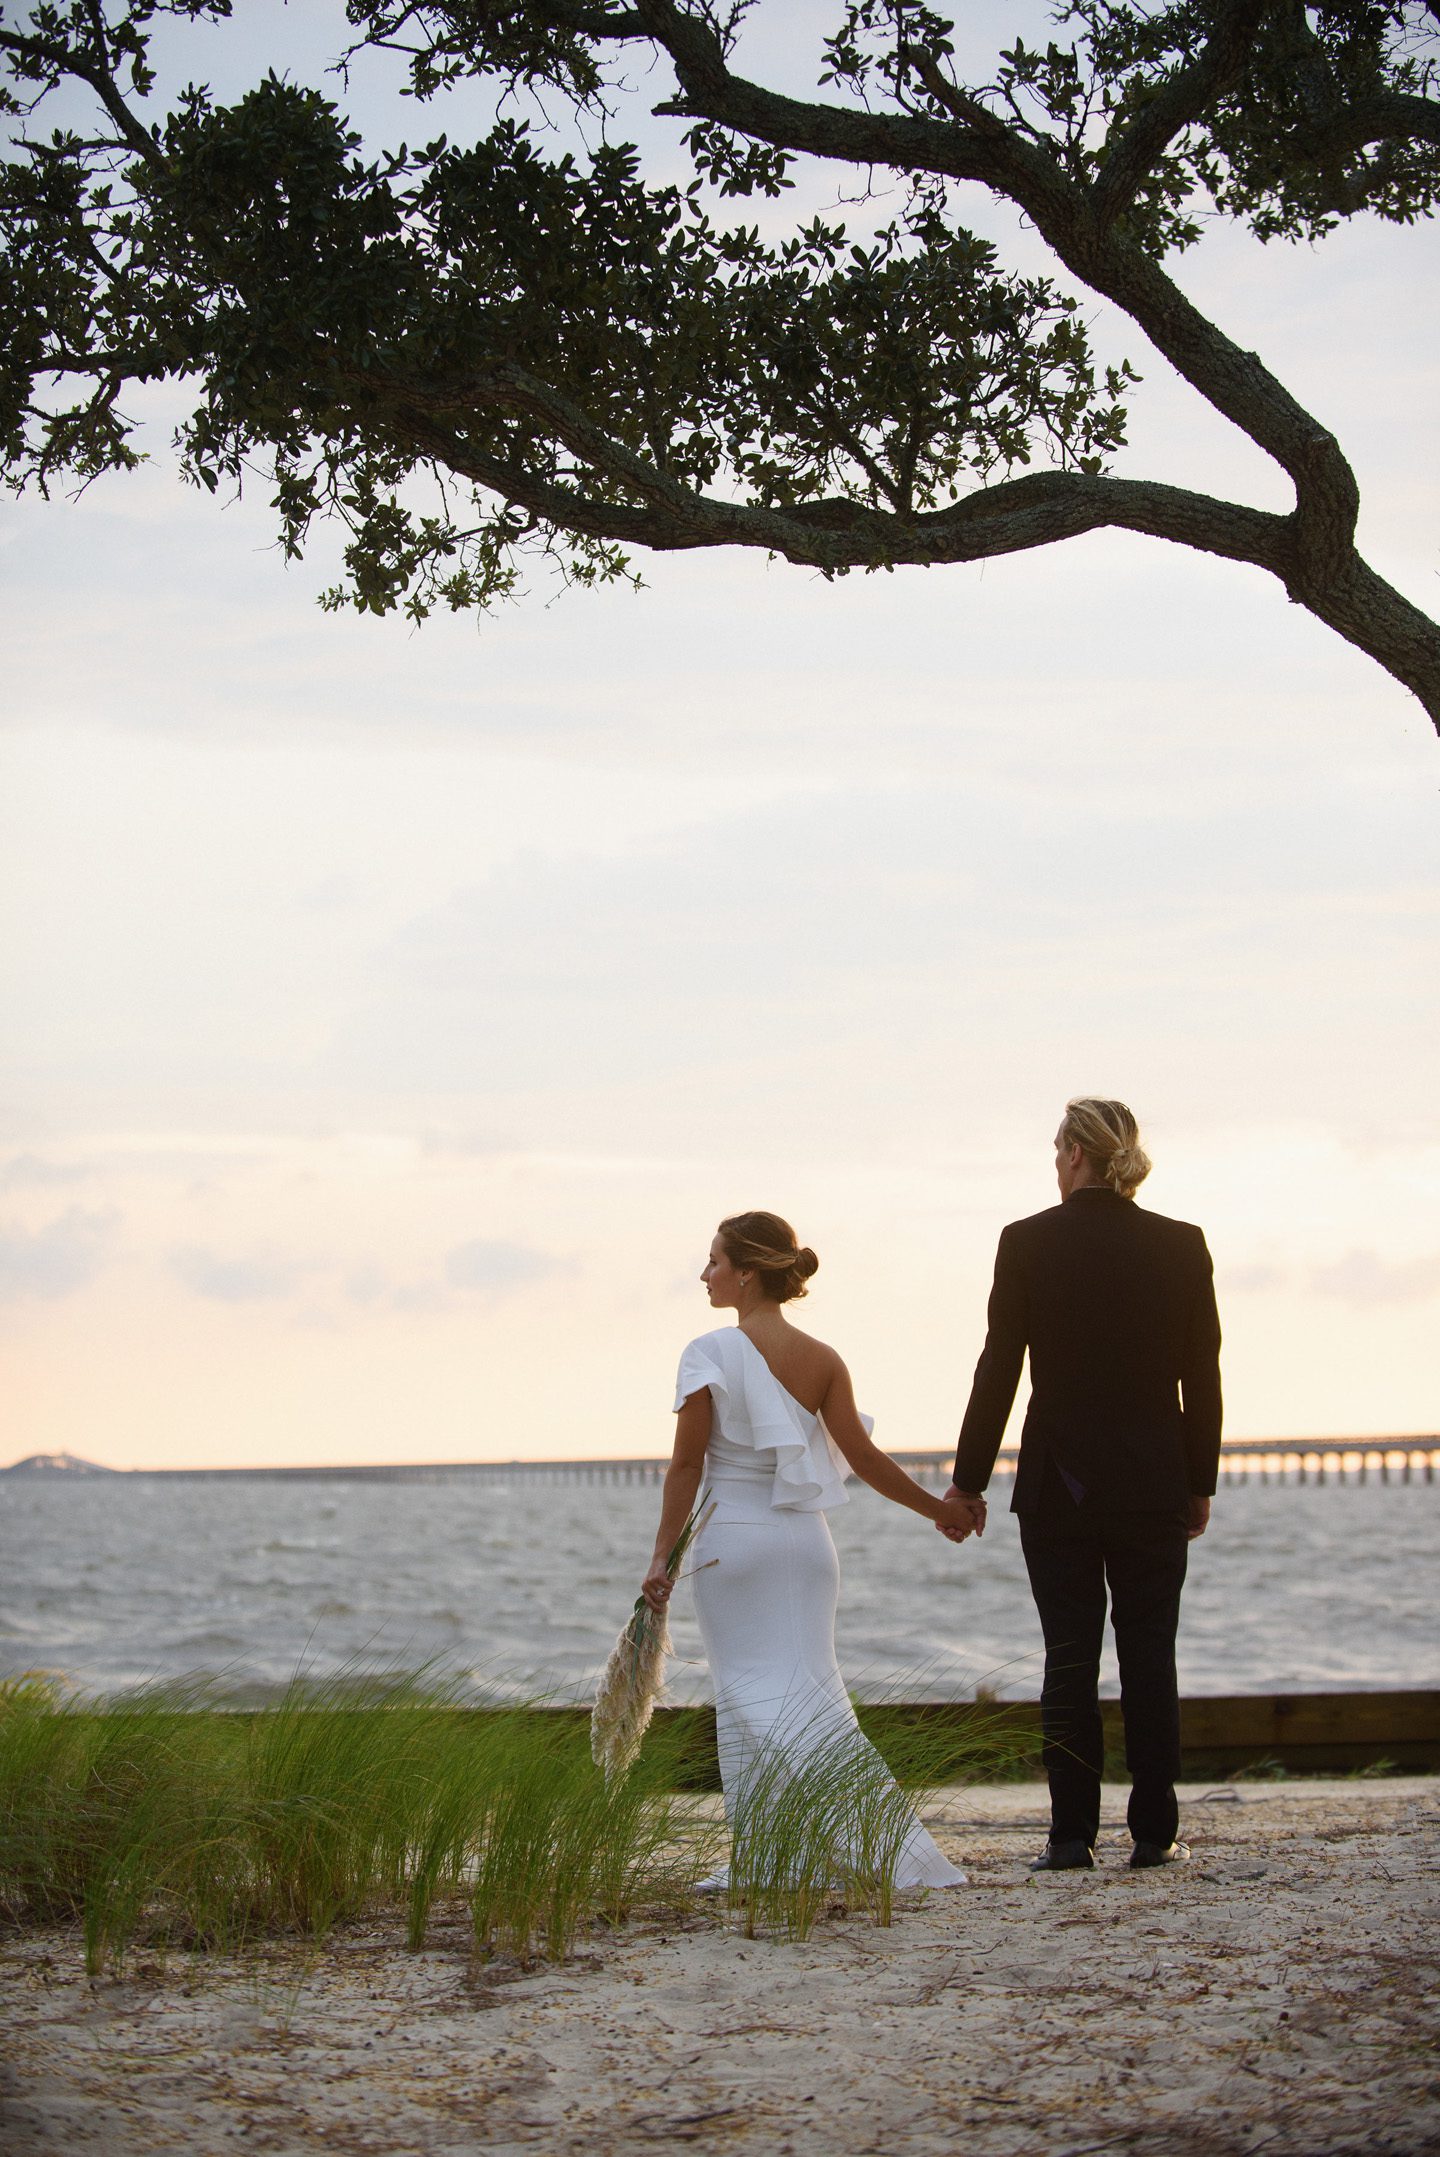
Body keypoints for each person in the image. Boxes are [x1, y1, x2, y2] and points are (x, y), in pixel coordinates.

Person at [643, 1209, 974, 1892]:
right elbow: (863, 1456)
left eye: (713, 1261)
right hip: (806, 1546)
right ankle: (824, 1846)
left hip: (733, 1544)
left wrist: (661, 1559)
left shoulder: (707, 1351)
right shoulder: (823, 1358)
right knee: (812, 1695)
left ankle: (771, 1855)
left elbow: (684, 1468)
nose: (704, 1274)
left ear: (748, 1272)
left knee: (746, 1696)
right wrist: (935, 1510)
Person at [942, 1099, 1222, 1873]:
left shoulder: (1027, 1241)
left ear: (1073, 1154)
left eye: (1055, 1147)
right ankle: (1155, 1834)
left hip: (1057, 1485)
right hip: (1154, 1480)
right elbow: (1202, 1374)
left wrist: (967, 1481)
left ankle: (1070, 1837)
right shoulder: (1180, 1243)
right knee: (1149, 1653)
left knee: (1068, 1655)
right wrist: (1200, 1479)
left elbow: (998, 1367)